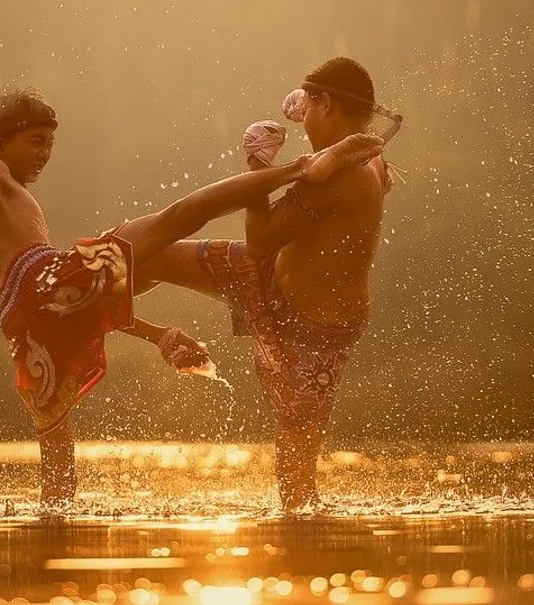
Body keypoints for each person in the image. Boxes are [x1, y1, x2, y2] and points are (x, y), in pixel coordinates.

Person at [0, 87, 385, 508]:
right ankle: (291, 168)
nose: (44, 154)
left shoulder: (3, 201)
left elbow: (78, 309)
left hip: (31, 325)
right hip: (46, 281)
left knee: (57, 472)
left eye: (50, 144)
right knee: (180, 215)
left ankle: (53, 542)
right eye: (35, 142)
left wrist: (159, 335)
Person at [134, 57, 395, 511]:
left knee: (297, 486)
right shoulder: (369, 153)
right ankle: (86, 306)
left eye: (310, 106)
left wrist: (258, 164)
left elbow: (257, 239)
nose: (303, 115)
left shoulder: (345, 172)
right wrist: (311, 113)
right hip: (271, 277)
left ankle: (305, 560)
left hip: (313, 329)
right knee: (146, 256)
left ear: (327, 104)